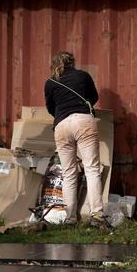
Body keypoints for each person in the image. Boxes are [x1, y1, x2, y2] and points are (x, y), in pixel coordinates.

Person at [44, 51, 105, 226]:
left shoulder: (50, 83)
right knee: (92, 169)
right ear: (72, 62)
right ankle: (97, 215)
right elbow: (93, 97)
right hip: (83, 121)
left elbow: (51, 108)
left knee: (69, 172)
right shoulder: (83, 76)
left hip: (61, 125)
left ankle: (70, 218)